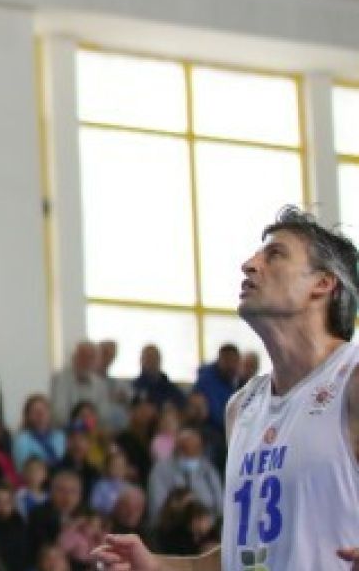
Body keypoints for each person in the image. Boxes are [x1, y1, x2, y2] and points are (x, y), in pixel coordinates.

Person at [94, 210, 359, 571]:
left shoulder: (350, 380)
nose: (249, 265)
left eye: (275, 254)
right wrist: (155, 566)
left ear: (323, 283)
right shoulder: (242, 407)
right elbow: (238, 556)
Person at [189, 345, 242, 432]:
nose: (231, 365)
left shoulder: (238, 381)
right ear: (219, 360)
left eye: (234, 361)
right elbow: (216, 414)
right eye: (227, 361)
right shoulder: (207, 380)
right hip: (211, 429)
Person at [12, 394, 64, 470]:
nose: (40, 415)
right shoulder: (22, 440)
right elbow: (24, 468)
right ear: (28, 416)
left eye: (44, 410)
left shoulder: (59, 436)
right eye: (35, 412)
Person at [132, 345, 184, 411]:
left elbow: (183, 405)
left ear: (159, 360)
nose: (151, 361)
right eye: (147, 358)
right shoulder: (134, 388)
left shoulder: (169, 387)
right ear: (141, 361)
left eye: (153, 358)